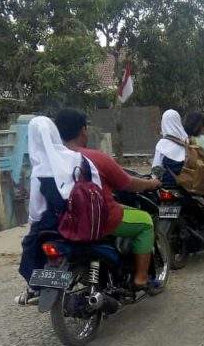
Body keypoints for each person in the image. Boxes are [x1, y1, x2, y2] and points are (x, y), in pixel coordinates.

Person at [54, 108, 161, 289]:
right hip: (99, 218)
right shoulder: (95, 157)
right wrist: (151, 184)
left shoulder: (51, 158)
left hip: (64, 220)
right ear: (83, 130)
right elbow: (127, 183)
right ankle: (141, 278)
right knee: (145, 222)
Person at [16, 116, 102, 305]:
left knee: (31, 244)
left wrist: (34, 225)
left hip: (53, 225)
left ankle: (34, 287)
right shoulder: (78, 158)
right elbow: (97, 186)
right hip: (84, 222)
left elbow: (36, 211)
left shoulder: (39, 170)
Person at [152, 109, 189, 188]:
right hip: (188, 186)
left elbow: (156, 169)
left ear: (163, 123)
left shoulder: (162, 144)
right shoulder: (187, 141)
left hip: (169, 186)